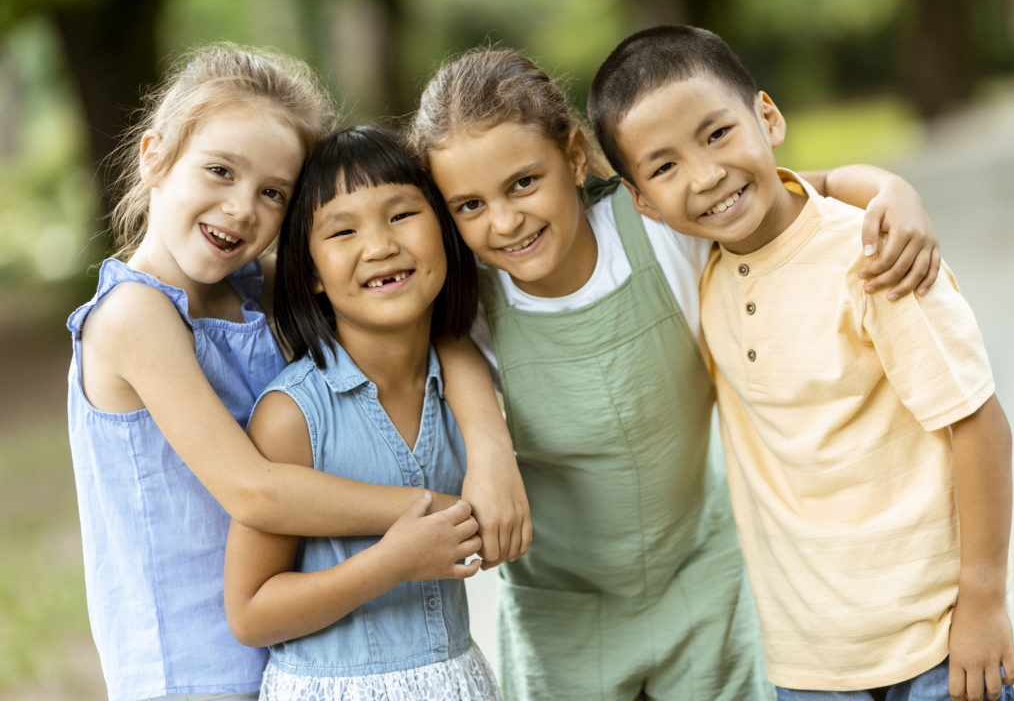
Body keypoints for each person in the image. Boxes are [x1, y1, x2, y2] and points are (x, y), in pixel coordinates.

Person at [408, 47, 943, 700]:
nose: (505, 220)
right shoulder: (471, 299)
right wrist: (488, 448)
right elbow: (439, 342)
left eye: (523, 182)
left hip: (703, 581)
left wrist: (891, 190)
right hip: (562, 611)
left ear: (575, 157)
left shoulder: (658, 223)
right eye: (468, 205)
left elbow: (803, 190)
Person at [66, 44, 525, 701]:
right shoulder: (133, 315)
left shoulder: (254, 289)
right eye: (220, 171)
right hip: (186, 666)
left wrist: (489, 449)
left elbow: (418, 324)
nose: (240, 207)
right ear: (155, 157)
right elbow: (254, 491)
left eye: (272, 192)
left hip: (299, 643)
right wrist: (437, 515)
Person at [587, 24, 1014, 701]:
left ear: (768, 117)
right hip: (806, 665)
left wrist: (984, 601)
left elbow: (979, 424)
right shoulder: (701, 269)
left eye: (718, 133)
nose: (705, 175)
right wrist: (882, 181)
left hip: (936, 643)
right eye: (664, 167)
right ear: (642, 201)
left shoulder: (874, 255)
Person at [223, 124, 502, 700]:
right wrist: (389, 564)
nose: (379, 246)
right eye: (343, 230)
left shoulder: (462, 385)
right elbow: (250, 613)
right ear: (312, 274)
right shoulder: (293, 417)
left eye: (401, 215)